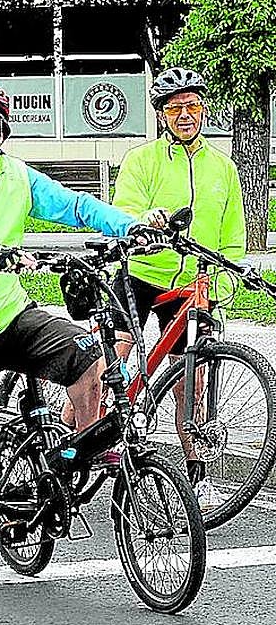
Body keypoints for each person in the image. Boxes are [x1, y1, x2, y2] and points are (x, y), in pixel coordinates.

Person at [0, 75, 146, 599]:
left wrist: (131, 225)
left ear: (2, 132)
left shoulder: (16, 176)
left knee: (88, 354)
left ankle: (87, 448)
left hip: (9, 315)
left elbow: (76, 208)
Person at [110, 66, 245, 510]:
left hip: (194, 282)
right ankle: (80, 440)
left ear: (203, 109)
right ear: (162, 115)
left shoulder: (223, 168)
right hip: (140, 270)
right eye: (175, 108)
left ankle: (196, 476)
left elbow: (232, 240)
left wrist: (221, 283)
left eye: (192, 106)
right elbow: (125, 208)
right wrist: (144, 220)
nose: (185, 114)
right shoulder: (142, 159)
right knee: (110, 358)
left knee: (195, 380)